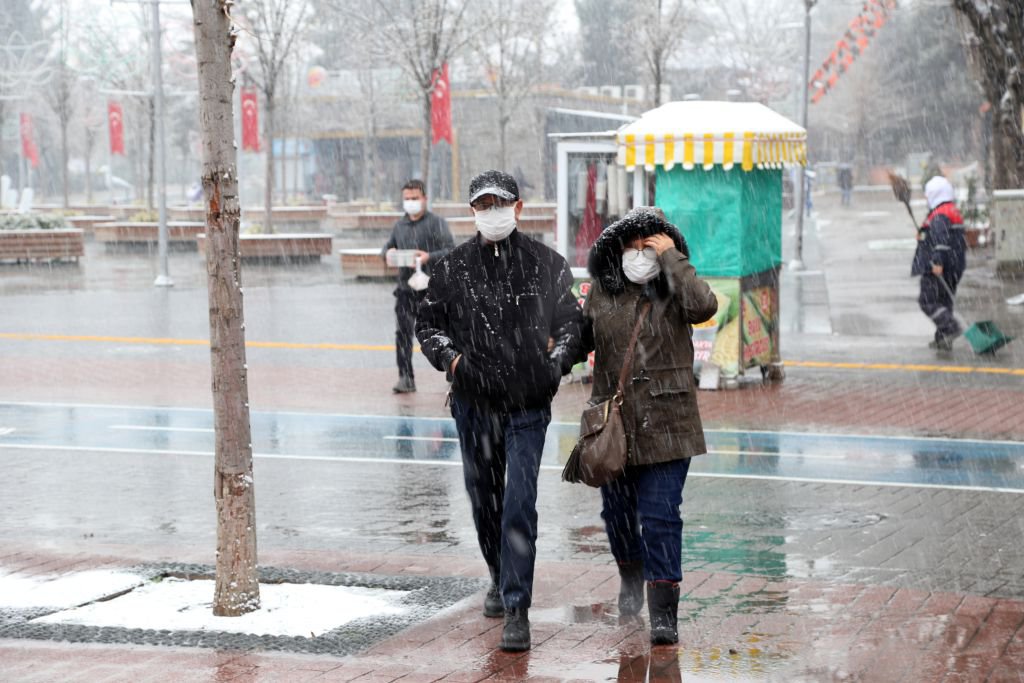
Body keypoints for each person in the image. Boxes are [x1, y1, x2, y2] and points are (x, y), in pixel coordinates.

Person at [416, 170, 582, 652]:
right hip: (474, 404)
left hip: (528, 403)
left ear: (518, 207)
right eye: (482, 204)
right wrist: (453, 360)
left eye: (499, 203)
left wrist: (554, 363)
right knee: (483, 499)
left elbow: (573, 323)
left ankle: (517, 606)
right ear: (471, 211)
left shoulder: (545, 265)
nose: (491, 212)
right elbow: (428, 324)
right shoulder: (452, 269)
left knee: (518, 501)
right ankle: (496, 571)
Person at [578, 207, 718, 646]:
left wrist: (673, 258)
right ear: (615, 251)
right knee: (617, 516)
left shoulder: (676, 287)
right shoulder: (602, 293)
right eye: (632, 247)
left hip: (668, 424)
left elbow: (705, 306)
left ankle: (663, 612)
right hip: (615, 429)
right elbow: (577, 341)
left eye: (649, 246)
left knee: (660, 517)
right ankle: (630, 571)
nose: (640, 255)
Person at [382, 179, 454, 393]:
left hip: (433, 290)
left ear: (424, 199)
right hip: (406, 290)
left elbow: (451, 250)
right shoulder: (399, 225)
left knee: (445, 331)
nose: (411, 202)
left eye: (415, 198)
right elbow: (387, 248)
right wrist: (388, 254)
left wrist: (428, 257)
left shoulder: (436, 223)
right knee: (403, 334)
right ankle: (405, 377)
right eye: (407, 199)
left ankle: (453, 371)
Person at [912, 175, 967, 351]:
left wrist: (937, 261)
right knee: (944, 301)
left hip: (939, 266)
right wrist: (922, 234)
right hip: (954, 266)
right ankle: (943, 339)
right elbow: (940, 237)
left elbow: (941, 241)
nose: (926, 198)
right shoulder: (950, 210)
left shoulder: (940, 214)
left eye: (928, 194)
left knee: (927, 300)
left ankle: (950, 328)